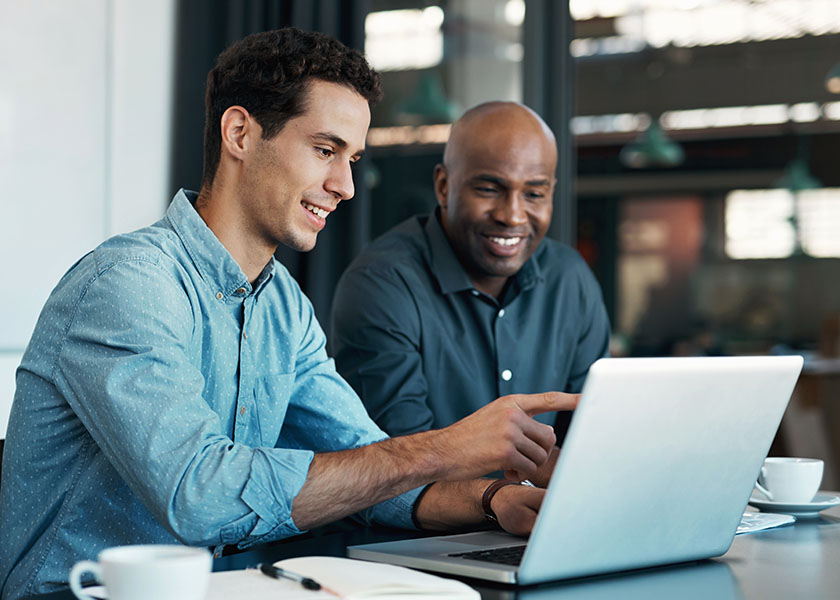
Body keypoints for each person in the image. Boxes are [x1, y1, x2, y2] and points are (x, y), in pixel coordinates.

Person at [0, 29, 577, 599]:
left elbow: (370, 469)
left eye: (352, 159)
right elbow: (201, 497)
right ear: (240, 133)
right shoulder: (129, 285)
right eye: (326, 150)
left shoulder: (282, 307)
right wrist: (443, 447)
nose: (345, 185)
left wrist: (493, 500)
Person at [331, 101, 610, 481]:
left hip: (544, 526)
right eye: (490, 189)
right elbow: (400, 461)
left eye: (534, 194)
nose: (512, 215)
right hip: (414, 538)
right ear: (444, 186)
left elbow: (595, 437)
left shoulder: (570, 279)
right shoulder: (382, 283)